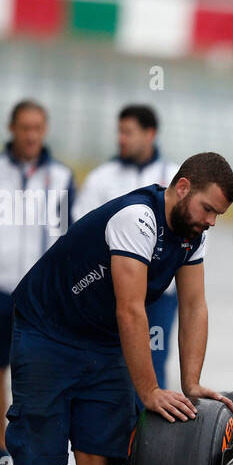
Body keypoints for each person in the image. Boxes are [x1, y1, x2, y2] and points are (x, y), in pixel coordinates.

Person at [7, 153, 233, 465]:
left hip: (102, 346)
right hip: (45, 334)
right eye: (208, 209)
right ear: (182, 188)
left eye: (218, 215)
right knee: (38, 464)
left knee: (96, 459)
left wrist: (190, 382)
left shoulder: (192, 237)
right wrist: (150, 390)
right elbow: (131, 311)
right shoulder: (136, 219)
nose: (211, 222)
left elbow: (194, 306)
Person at [0, 100, 74, 465]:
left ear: (45, 129)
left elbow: (73, 237)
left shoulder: (63, 177)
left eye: (37, 127)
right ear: (11, 128)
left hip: (41, 296)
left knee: (39, 373)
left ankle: (33, 446)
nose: (31, 135)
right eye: (24, 127)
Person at [73, 105, 178, 388]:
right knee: (106, 371)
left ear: (150, 134)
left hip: (159, 299)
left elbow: (191, 239)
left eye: (128, 132)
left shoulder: (177, 178)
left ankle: (151, 433)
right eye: (119, 132)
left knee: (151, 372)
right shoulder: (100, 178)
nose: (121, 138)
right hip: (109, 294)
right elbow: (80, 234)